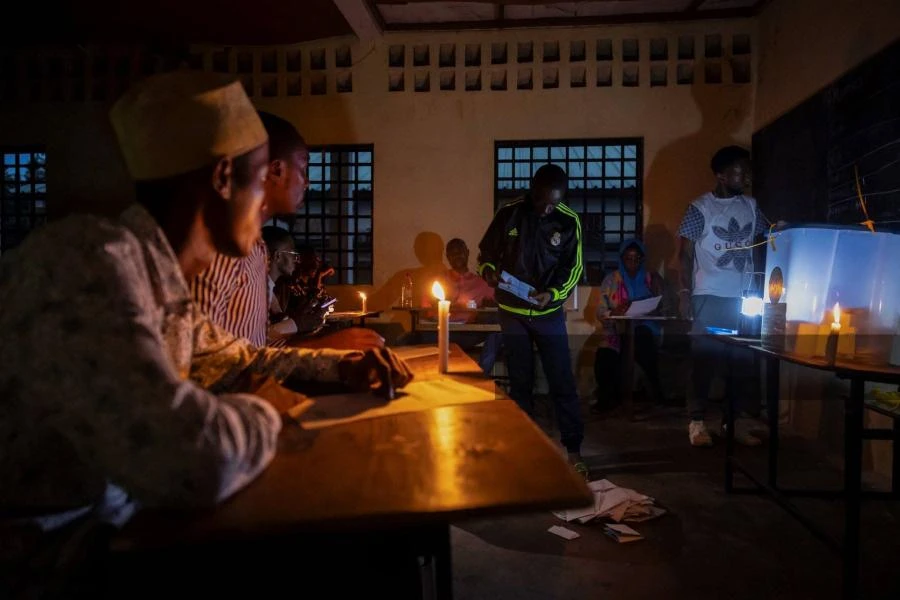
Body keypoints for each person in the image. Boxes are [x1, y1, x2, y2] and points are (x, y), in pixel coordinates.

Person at [0, 72, 412, 596]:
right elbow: (191, 458)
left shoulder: (160, 280)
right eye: (263, 180)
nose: (268, 204)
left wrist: (341, 366)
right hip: (50, 565)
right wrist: (270, 411)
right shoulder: (89, 260)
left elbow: (240, 361)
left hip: (120, 533)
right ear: (223, 179)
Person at [191, 110, 382, 351]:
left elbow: (256, 348)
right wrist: (321, 350)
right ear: (277, 170)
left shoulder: (256, 247)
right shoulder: (221, 247)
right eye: (303, 169)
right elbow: (207, 361)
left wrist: (325, 351)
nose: (307, 182)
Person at [477, 164, 587, 479]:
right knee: (520, 382)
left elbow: (574, 268)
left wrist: (552, 294)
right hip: (511, 312)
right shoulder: (509, 213)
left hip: (547, 313)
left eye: (554, 202)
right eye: (543, 202)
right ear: (532, 191)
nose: (547, 209)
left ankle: (574, 451)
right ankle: (524, 450)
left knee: (561, 380)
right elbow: (486, 253)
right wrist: (488, 271)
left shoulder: (569, 221)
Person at [677, 145, 768, 447]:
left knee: (740, 363)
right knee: (704, 361)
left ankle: (732, 422)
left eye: (747, 171)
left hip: (743, 299)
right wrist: (685, 293)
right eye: (739, 171)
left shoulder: (752, 207)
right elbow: (684, 253)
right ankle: (697, 421)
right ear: (720, 175)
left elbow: (768, 237)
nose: (745, 177)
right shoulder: (700, 208)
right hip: (709, 296)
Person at [593, 239, 666, 412]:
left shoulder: (652, 279)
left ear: (642, 259)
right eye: (628, 258)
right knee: (605, 354)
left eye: (636, 258)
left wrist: (650, 308)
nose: (632, 263)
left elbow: (663, 307)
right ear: (622, 259)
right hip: (616, 329)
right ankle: (606, 398)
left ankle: (653, 391)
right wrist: (615, 311)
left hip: (645, 328)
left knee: (640, 338)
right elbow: (600, 311)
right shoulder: (611, 280)